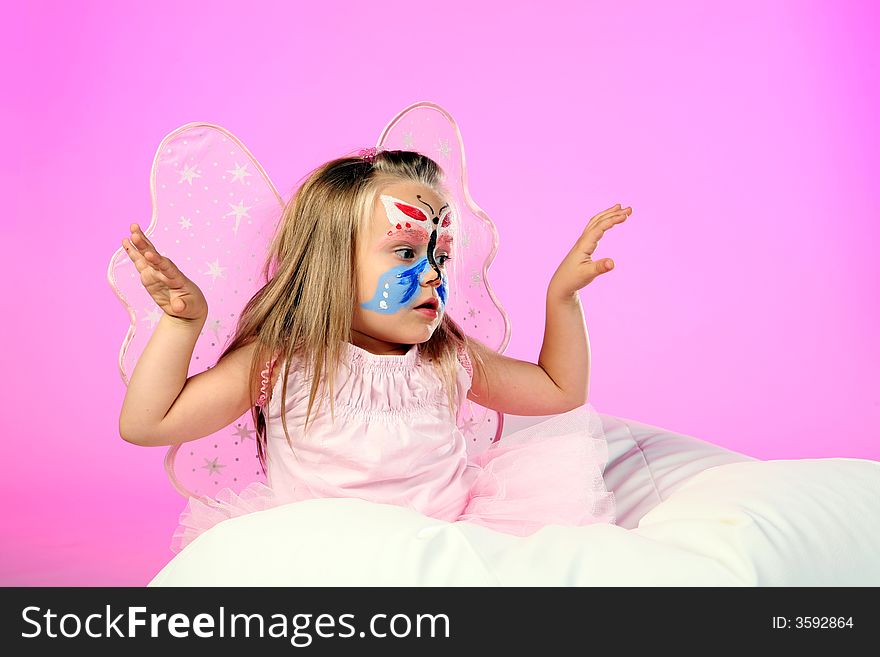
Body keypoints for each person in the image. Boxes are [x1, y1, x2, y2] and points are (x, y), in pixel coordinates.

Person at [119, 147, 628, 554]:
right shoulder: (282, 360)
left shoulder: (446, 356)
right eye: (406, 252)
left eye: (441, 254)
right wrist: (182, 322)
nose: (433, 273)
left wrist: (562, 296)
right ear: (331, 264)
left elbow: (560, 391)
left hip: (446, 554)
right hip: (324, 560)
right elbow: (148, 425)